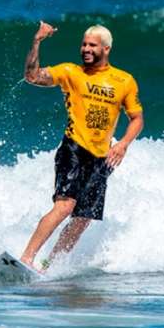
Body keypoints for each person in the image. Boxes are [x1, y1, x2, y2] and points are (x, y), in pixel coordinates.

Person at [20, 20, 144, 271]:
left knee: (83, 218)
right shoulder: (70, 72)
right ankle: (26, 258)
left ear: (106, 49)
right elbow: (31, 76)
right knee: (65, 206)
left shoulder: (124, 81)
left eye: (92, 45)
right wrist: (37, 42)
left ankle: (48, 265)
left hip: (103, 156)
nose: (86, 49)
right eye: (84, 44)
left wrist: (123, 144)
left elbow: (137, 118)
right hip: (74, 148)